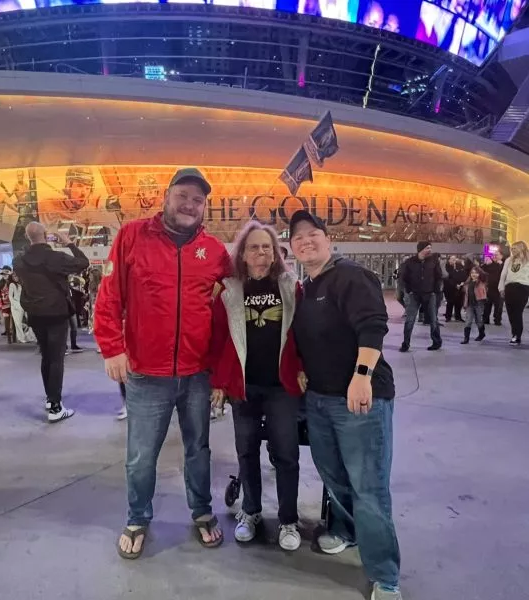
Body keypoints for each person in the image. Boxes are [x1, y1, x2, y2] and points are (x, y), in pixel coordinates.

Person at [94, 167, 232, 560]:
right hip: (145, 375)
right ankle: (138, 517)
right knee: (141, 455)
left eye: (198, 199)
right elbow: (109, 298)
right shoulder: (132, 236)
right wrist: (112, 347)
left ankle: (202, 511)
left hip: (198, 373)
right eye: (183, 195)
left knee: (199, 449)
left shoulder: (215, 252)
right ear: (166, 196)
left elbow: (231, 307)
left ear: (205, 207)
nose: (190, 204)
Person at [288, 211, 401, 600]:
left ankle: (385, 577)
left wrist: (362, 375)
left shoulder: (351, 276)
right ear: (291, 248)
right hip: (319, 400)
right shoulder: (307, 288)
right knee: (334, 477)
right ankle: (348, 530)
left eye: (313, 234)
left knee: (368, 487)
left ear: (327, 239)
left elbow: (373, 324)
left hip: (358, 401)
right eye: (298, 237)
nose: (306, 241)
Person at [209, 222, 303, 551]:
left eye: (267, 247)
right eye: (254, 248)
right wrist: (219, 382)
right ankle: (250, 513)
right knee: (247, 452)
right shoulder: (230, 290)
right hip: (244, 388)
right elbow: (220, 341)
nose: (261, 253)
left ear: (275, 252)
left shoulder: (291, 286)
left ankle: (289, 520)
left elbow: (303, 336)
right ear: (243, 255)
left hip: (282, 387)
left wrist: (303, 369)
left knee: (286, 455)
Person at [13, 222, 89, 422]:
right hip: (56, 311)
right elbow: (83, 262)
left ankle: (50, 397)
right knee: (56, 358)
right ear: (46, 235)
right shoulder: (55, 257)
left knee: (46, 356)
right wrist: (69, 244)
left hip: (35, 313)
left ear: (28, 237)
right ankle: (55, 407)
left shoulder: (18, 260)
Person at [399, 242, 442, 352]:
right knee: (410, 320)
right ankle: (406, 344)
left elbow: (438, 276)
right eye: (428, 248)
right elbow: (404, 277)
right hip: (415, 295)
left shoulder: (433, 261)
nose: (430, 250)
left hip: (430, 294)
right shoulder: (410, 262)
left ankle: (436, 342)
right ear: (421, 249)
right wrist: (409, 291)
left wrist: (435, 291)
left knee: (433, 319)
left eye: (430, 248)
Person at [499, 241, 529, 346]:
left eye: (515, 248)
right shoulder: (509, 260)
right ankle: (514, 334)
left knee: (517, 312)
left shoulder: (527, 260)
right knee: (510, 312)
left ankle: (517, 336)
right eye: (512, 248)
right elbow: (503, 275)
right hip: (509, 287)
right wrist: (501, 288)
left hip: (523, 287)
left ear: (522, 248)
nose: (512, 250)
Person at [461, 267, 487, 344]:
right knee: (468, 321)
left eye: (476, 273)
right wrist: (465, 304)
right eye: (472, 273)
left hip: (479, 304)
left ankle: (482, 334)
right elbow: (466, 295)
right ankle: (466, 339)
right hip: (469, 305)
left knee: (479, 320)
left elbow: (483, 293)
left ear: (479, 274)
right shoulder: (468, 283)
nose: (474, 274)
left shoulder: (481, 283)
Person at [8, 272, 36, 344]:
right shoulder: (12, 285)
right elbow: (10, 296)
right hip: (16, 306)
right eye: (14, 277)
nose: (16, 278)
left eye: (16, 276)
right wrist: (15, 304)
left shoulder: (20, 284)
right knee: (18, 323)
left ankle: (29, 336)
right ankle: (21, 337)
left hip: (23, 305)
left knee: (28, 322)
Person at [482, 251, 504, 326]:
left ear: (501, 256)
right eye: (494, 255)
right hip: (489, 288)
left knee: (498, 306)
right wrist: (485, 264)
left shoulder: (503, 265)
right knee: (487, 305)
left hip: (499, 289)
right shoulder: (489, 264)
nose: (495, 256)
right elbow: (482, 271)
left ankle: (497, 320)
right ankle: (485, 319)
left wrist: (501, 265)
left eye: (497, 255)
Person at [443, 256, 465, 322]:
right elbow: (449, 280)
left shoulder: (462, 272)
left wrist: (461, 284)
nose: (454, 262)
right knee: (450, 303)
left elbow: (465, 279)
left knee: (458, 304)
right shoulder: (450, 271)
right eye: (453, 260)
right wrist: (455, 285)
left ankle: (458, 317)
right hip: (451, 289)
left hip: (459, 290)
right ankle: (448, 317)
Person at [0, 268, 15, 344]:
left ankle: (14, 337)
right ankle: (9, 338)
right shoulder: (0, 284)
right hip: (5, 305)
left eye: (6, 274)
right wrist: (0, 305)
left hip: (14, 304)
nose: (5, 275)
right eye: (3, 274)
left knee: (14, 322)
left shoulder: (13, 283)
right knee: (7, 321)